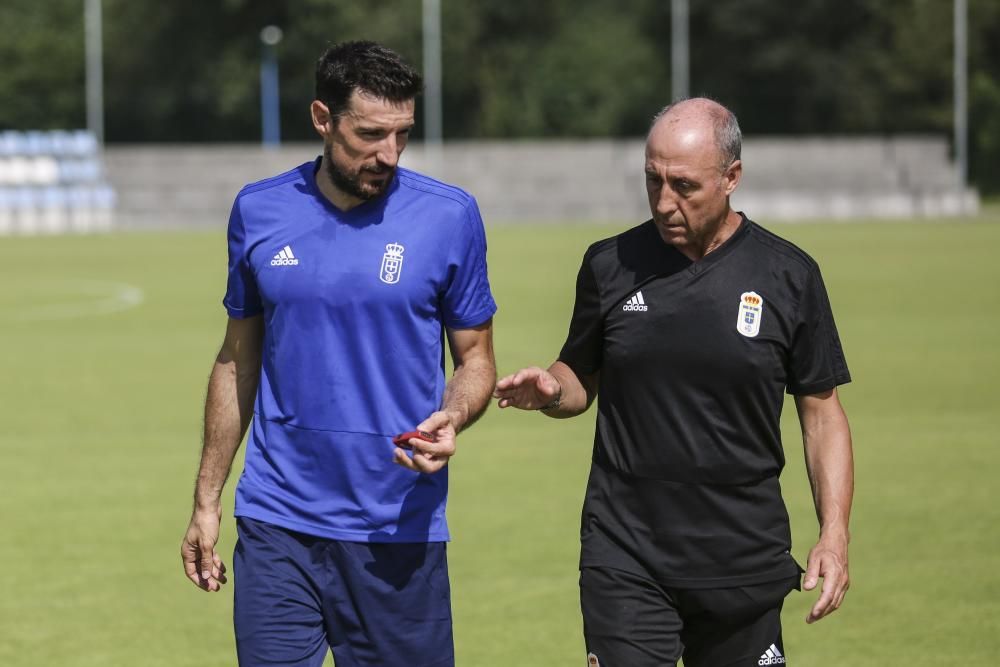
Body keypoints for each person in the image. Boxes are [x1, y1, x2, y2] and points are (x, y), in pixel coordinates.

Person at [494, 97, 853, 667]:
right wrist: (552, 390)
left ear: (731, 177)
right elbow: (579, 377)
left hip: (743, 558)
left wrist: (833, 533)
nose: (665, 202)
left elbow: (822, 412)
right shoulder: (609, 265)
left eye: (684, 185)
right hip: (627, 553)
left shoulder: (789, 275)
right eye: (652, 180)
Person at [180, 41, 497, 667]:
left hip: (397, 527)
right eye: (371, 134)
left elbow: (477, 360)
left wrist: (454, 416)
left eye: (403, 135)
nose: (389, 153)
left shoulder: (449, 216)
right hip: (278, 521)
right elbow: (236, 359)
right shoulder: (258, 210)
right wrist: (207, 499)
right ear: (323, 119)